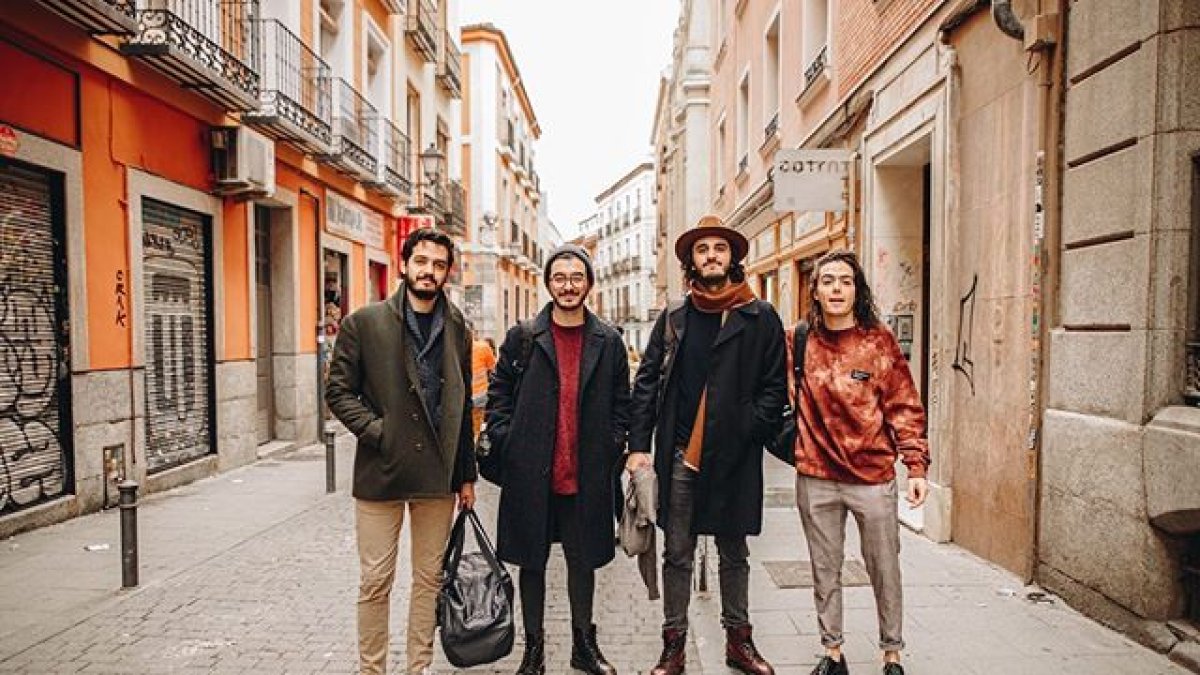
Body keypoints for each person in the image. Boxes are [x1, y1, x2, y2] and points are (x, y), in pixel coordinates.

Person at [626, 215, 787, 675]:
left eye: (720, 247)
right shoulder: (676, 318)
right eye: (702, 249)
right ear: (691, 261)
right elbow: (647, 383)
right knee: (677, 553)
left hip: (735, 457)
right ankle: (673, 647)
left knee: (734, 553)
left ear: (733, 257)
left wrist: (748, 428)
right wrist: (639, 445)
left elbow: (775, 388)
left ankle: (739, 643)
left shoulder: (760, 317)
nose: (712, 254)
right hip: (680, 457)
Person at [325, 227, 477, 675]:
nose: (429, 271)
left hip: (437, 475)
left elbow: (462, 404)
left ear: (447, 273)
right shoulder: (364, 323)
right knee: (375, 581)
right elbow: (337, 391)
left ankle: (419, 667)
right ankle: (372, 669)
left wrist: (466, 475)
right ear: (404, 264)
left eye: (438, 264)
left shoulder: (457, 328)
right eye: (422, 261)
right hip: (381, 472)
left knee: (428, 581)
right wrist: (378, 433)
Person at [485, 244, 630, 675]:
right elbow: (499, 395)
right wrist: (507, 440)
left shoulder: (609, 341)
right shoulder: (524, 337)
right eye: (560, 278)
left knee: (582, 562)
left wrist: (613, 443)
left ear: (588, 283)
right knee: (532, 562)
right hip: (532, 474)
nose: (568, 285)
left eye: (576, 277)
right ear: (548, 283)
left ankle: (584, 647)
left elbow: (623, 402)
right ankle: (534, 651)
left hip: (586, 474)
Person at [789, 249, 930, 675]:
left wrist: (916, 466)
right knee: (824, 569)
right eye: (827, 280)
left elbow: (904, 405)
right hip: (815, 475)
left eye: (845, 281)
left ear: (857, 290)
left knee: (884, 568)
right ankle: (832, 652)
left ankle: (892, 653)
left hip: (872, 477)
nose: (836, 288)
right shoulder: (798, 340)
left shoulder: (877, 341)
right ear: (814, 290)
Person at [470, 326, 498, 438]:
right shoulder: (483, 347)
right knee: (477, 429)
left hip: (463, 397)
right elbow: (494, 369)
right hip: (480, 395)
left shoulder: (456, 347)